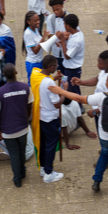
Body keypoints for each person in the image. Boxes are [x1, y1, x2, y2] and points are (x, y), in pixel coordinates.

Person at [49, 71, 108, 193]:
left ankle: (97, 181)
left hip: (105, 136)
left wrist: (61, 91)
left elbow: (79, 98)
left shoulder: (101, 97)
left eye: (106, 82)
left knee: (104, 156)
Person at [0, 63, 32, 188]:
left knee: (14, 154)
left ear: (3, 75)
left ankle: (17, 178)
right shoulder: (25, 87)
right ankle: (23, 171)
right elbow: (30, 104)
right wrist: (26, 118)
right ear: (16, 72)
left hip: (8, 130)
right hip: (23, 127)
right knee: (22, 151)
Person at [31, 55, 65, 184]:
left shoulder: (36, 75)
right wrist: (63, 92)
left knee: (44, 143)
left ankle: (44, 168)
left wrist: (53, 78)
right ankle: (49, 174)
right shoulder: (49, 82)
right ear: (51, 67)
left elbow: (45, 83)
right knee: (51, 145)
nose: (57, 68)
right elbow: (56, 103)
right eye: (55, 66)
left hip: (41, 116)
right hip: (50, 118)